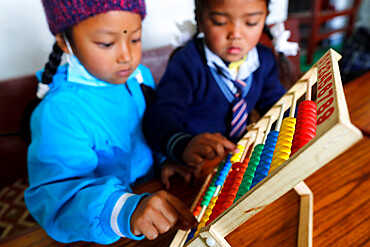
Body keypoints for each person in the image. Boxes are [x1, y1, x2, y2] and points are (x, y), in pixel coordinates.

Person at [24, 0, 198, 244]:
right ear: (66, 42)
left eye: (135, 39)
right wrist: (124, 211)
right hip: (98, 232)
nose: (126, 56)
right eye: (106, 43)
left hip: (155, 203)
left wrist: (165, 159)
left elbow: (150, 128)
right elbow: (58, 199)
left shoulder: (139, 79)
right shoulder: (58, 112)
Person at [143, 0, 286, 167]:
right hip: (199, 164)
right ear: (199, 19)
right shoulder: (187, 63)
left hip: (238, 161)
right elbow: (159, 117)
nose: (236, 34)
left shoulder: (264, 59)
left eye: (251, 23)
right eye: (220, 22)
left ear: (265, 18)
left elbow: (278, 105)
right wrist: (183, 146)